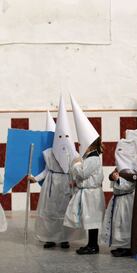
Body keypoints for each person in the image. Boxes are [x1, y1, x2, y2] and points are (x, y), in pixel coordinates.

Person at [30, 102, 83, 249]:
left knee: (65, 212)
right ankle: (50, 238)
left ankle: (65, 238)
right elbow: (47, 171)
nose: (63, 138)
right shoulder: (48, 154)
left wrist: (76, 181)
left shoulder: (75, 154)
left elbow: (78, 170)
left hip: (67, 184)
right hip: (52, 185)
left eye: (66, 135)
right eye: (60, 136)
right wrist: (35, 178)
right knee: (51, 213)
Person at [100, 129, 137, 257]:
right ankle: (124, 245)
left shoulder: (129, 169)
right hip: (121, 199)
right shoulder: (122, 167)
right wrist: (114, 177)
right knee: (122, 223)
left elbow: (128, 184)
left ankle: (128, 246)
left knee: (126, 223)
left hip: (127, 200)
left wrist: (117, 179)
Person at [64, 95, 105, 255]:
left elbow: (82, 173)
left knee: (92, 220)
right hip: (88, 193)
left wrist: (76, 163)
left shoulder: (93, 158)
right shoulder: (90, 157)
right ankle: (91, 244)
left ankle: (93, 246)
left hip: (91, 193)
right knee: (89, 219)